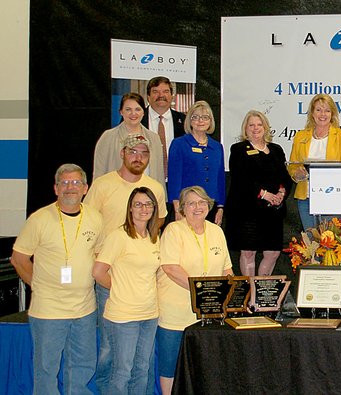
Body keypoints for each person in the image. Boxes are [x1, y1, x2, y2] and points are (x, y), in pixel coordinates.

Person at [84, 133, 168, 392]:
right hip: (112, 282)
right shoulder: (103, 185)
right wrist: (118, 286)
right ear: (122, 153)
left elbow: (160, 222)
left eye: (143, 153)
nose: (138, 157)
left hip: (144, 300)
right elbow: (86, 222)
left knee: (140, 365)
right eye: (133, 152)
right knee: (112, 353)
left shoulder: (155, 187)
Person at [10, 164, 102, 394]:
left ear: (85, 188)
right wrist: (39, 286)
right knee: (46, 369)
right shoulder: (39, 219)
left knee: (82, 367)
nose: (70, 188)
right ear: (55, 188)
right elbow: (19, 259)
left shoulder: (95, 218)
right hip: (48, 311)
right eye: (65, 183)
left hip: (85, 310)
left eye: (76, 183)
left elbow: (99, 255)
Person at [157, 186, 233, 395]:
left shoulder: (216, 231)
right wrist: (201, 290)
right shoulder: (173, 230)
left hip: (209, 315)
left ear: (209, 205)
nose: (197, 207)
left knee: (203, 367)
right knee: (169, 366)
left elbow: (227, 269)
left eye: (201, 202)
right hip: (175, 314)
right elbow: (170, 268)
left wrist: (234, 294)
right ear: (182, 208)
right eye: (191, 203)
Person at [92, 187, 161, 395]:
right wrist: (121, 289)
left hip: (149, 314)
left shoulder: (153, 238)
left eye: (148, 204)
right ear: (130, 208)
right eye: (138, 204)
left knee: (142, 369)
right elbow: (98, 272)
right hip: (123, 316)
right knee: (122, 371)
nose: (143, 209)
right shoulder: (118, 236)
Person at [227, 110, 292, 276]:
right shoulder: (238, 149)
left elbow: (285, 176)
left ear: (265, 127)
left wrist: (281, 192)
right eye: (251, 125)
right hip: (248, 211)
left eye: (259, 124)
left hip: (272, 213)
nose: (256, 128)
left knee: (273, 253)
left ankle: (262, 294)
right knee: (248, 253)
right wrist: (265, 194)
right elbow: (241, 179)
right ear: (245, 129)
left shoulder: (276, 149)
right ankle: (251, 295)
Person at [288, 94, 341, 229]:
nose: (322, 114)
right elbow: (292, 166)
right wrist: (296, 174)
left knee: (329, 243)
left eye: (327, 110)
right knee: (310, 244)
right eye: (318, 110)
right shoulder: (300, 136)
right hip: (305, 199)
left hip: (332, 197)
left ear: (332, 114)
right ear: (312, 113)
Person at [168, 100, 226, 225]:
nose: (200, 121)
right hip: (187, 206)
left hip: (211, 206)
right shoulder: (179, 144)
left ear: (210, 121)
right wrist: (177, 207)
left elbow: (220, 179)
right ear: (189, 121)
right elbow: (174, 177)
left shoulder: (217, 147)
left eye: (205, 117)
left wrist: (220, 207)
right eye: (195, 117)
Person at [93, 92, 165, 187]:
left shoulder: (154, 138)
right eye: (128, 109)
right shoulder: (108, 137)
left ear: (143, 112)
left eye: (137, 109)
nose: (133, 113)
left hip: (146, 195)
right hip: (116, 193)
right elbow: (99, 173)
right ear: (121, 112)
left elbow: (159, 174)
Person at [142, 76, 186, 174]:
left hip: (176, 179)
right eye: (155, 91)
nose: (161, 95)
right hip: (145, 180)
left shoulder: (184, 121)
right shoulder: (137, 119)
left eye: (165, 91)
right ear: (148, 97)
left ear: (172, 96)